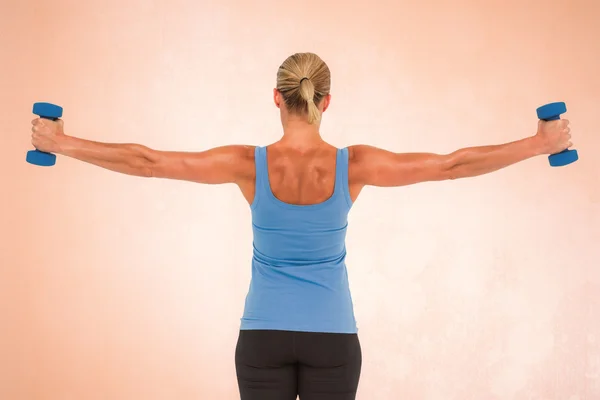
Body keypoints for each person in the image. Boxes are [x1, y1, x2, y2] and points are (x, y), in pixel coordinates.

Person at [29, 52, 572, 400]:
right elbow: (453, 165)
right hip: (334, 340)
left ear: (276, 98)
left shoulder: (247, 163)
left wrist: (61, 142)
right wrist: (540, 143)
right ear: (326, 101)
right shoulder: (354, 165)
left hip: (261, 338)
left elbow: (147, 161)